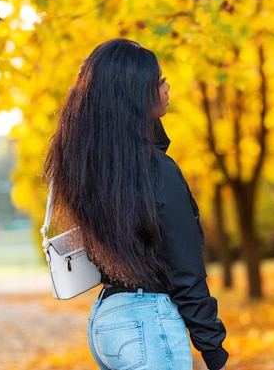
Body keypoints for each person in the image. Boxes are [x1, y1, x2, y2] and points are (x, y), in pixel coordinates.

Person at [44, 38, 228, 370]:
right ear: (136, 94)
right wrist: (213, 348)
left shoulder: (98, 167)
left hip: (107, 318)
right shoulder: (157, 172)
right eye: (158, 81)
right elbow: (185, 270)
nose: (167, 87)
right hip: (147, 321)